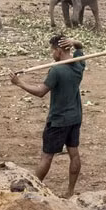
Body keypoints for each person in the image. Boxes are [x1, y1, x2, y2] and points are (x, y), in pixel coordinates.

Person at [10, 34, 86, 197]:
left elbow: (41, 92)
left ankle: (31, 189)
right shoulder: (79, 64)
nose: (51, 54)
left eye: (52, 51)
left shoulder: (57, 70)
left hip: (58, 120)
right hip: (75, 117)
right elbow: (80, 48)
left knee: (46, 157)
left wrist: (19, 83)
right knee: (74, 154)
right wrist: (75, 42)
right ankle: (70, 192)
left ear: (58, 51)